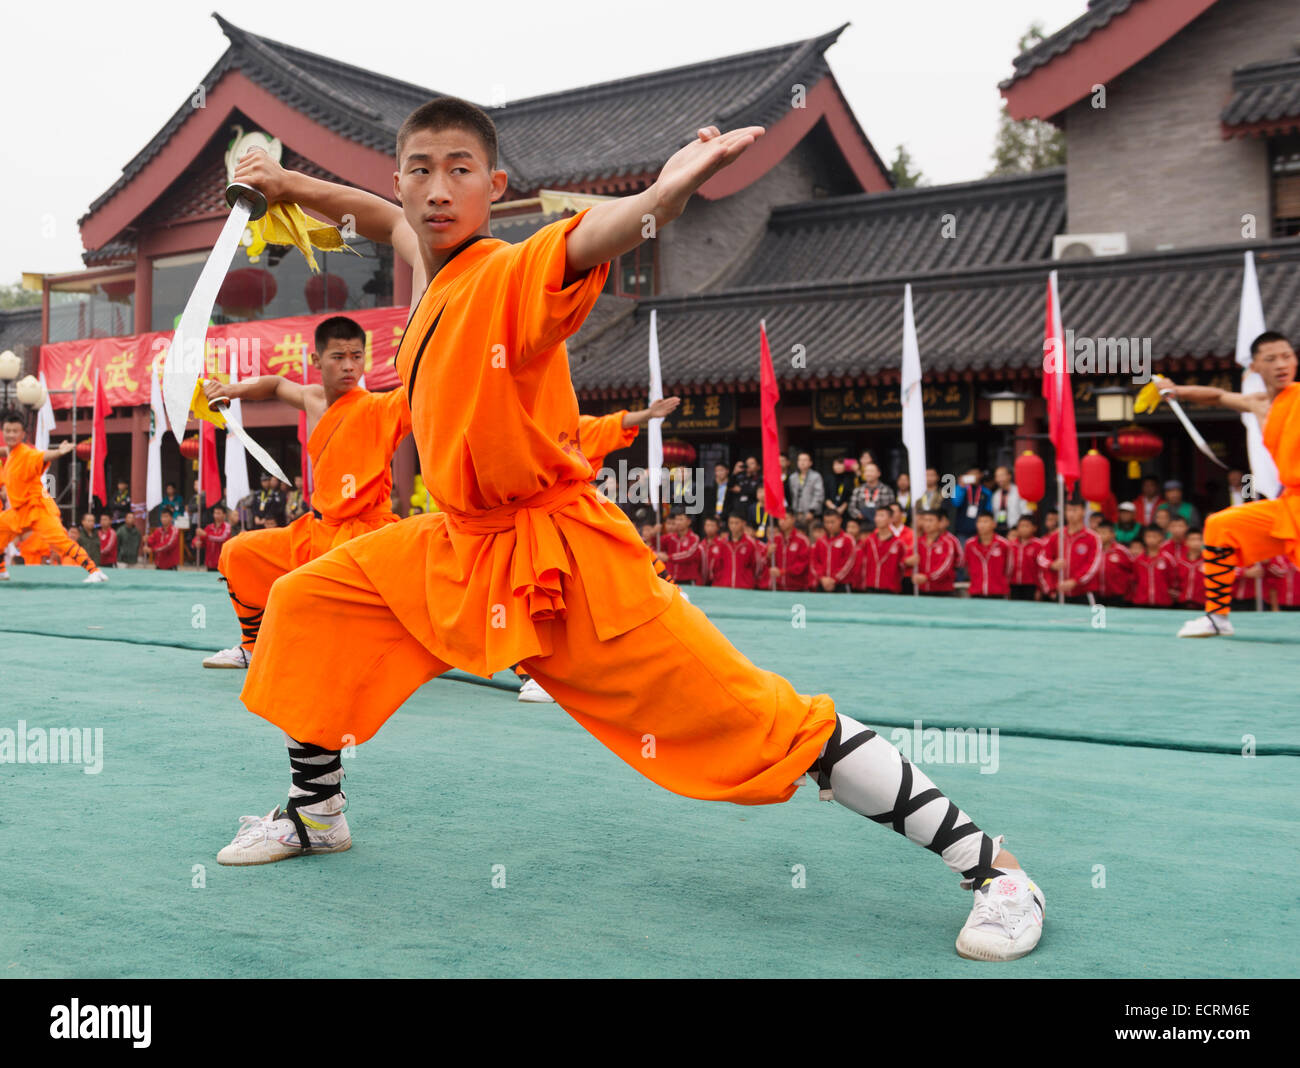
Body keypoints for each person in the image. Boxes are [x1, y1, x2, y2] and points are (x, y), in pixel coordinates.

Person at [217, 100, 1044, 961]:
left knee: (760, 718)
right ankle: (316, 815)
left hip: (560, 556)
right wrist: (284, 183)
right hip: (460, 540)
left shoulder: (511, 269)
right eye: (419, 169)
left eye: (460, 169)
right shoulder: (427, 267)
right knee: (310, 597)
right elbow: (376, 217)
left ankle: (996, 872)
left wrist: (663, 192)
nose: (435, 189)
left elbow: (592, 235)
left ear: (495, 188)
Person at [200, 316, 412, 668]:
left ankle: (527, 665)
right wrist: (230, 389)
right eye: (338, 356)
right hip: (320, 532)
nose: (349, 366)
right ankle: (252, 647)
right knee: (239, 551)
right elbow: (276, 383)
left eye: (356, 356)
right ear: (316, 361)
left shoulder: (380, 407)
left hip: (369, 538)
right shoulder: (313, 399)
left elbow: (428, 387)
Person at [1161, 333, 1298, 636]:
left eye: (1287, 356)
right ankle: (1217, 618)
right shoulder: (1260, 404)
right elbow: (1217, 397)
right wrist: (1177, 389)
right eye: (1271, 358)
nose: (1281, 364)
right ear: (1254, 368)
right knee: (1221, 526)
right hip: (1291, 503)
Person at [0, 411, 107, 583]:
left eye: (15, 431)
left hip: (38, 509)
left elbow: (43, 455)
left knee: (60, 542)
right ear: (3, 431)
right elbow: (4, 451)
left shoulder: (27, 453)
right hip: (19, 512)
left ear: (23, 434)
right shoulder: (11, 452)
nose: (11, 434)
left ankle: (94, 571)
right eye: (7, 430)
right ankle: (2, 571)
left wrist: (58, 452)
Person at [1037, 496, 1102, 602]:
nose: (1071, 514)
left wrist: (1075, 581)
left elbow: (1093, 565)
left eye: (1075, 510)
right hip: (1060, 592)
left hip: (1083, 593)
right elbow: (1041, 558)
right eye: (1068, 510)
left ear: (1083, 511)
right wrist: (1052, 565)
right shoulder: (1057, 535)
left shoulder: (1092, 538)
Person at [906, 509, 961, 595]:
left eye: (931, 520)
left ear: (939, 523)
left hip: (942, 590)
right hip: (922, 589)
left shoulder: (947, 543)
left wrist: (927, 577)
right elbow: (904, 560)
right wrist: (907, 561)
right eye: (924, 520)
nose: (927, 524)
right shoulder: (918, 542)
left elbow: (945, 567)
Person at [857, 505, 905, 594]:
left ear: (891, 519)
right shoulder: (868, 541)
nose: (878, 519)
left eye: (882, 515)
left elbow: (902, 567)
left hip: (890, 589)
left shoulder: (898, 544)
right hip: (870, 587)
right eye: (877, 516)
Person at [964, 512, 1011, 598]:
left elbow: (1009, 567)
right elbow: (967, 565)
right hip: (976, 590)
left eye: (985, 521)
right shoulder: (969, 544)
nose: (982, 525)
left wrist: (1002, 582)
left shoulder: (1003, 544)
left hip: (998, 591)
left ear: (994, 524)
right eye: (979, 522)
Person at [1129, 525, 1177, 607]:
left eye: (1154, 536)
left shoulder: (1167, 558)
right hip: (1141, 601)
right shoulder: (1138, 560)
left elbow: (1173, 579)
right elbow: (1135, 579)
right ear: (1144, 538)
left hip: (1163, 601)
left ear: (1161, 538)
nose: (1151, 539)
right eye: (1148, 536)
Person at [766, 513, 811, 591]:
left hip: (797, 588)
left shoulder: (802, 540)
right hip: (778, 587)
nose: (782, 522)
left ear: (793, 519)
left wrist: (783, 572)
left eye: (785, 519)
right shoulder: (774, 540)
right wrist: (768, 555)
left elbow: (802, 565)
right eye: (780, 519)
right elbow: (768, 564)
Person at [1096, 519, 1134, 606]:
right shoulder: (1094, 550)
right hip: (1097, 595)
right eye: (1098, 533)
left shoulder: (1121, 551)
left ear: (1113, 534)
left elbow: (1133, 570)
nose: (1100, 536)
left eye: (1104, 533)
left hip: (1117, 596)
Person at [950, 468, 992, 544]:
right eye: (971, 474)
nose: (974, 476)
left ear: (980, 475)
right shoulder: (959, 488)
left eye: (976, 473)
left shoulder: (986, 492)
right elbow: (956, 503)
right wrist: (961, 487)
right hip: (962, 531)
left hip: (980, 532)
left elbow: (988, 511)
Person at [1006, 515, 1040, 601]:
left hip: (1031, 585)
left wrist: (1039, 589)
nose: (1023, 529)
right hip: (1013, 584)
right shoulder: (1010, 545)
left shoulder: (1039, 545)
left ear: (1034, 528)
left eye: (1027, 526)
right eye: (1021, 526)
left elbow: (1041, 569)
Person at [194, 504, 235, 572]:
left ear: (224, 515)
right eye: (215, 513)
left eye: (219, 513)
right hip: (210, 562)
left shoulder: (227, 527)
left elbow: (221, 538)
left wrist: (206, 535)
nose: (216, 515)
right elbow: (200, 538)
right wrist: (196, 542)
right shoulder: (209, 527)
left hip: (222, 563)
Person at [787, 451, 824, 520]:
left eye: (805, 460)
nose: (802, 462)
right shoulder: (793, 477)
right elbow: (791, 495)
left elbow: (819, 495)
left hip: (811, 513)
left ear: (810, 463)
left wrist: (811, 511)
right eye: (800, 460)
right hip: (796, 513)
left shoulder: (816, 476)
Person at [990, 466, 1025, 536]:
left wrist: (1018, 529)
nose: (999, 479)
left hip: (1015, 530)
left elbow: (1026, 512)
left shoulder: (1019, 491)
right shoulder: (995, 495)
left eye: (1002, 475)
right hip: (999, 530)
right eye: (997, 476)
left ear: (1009, 476)